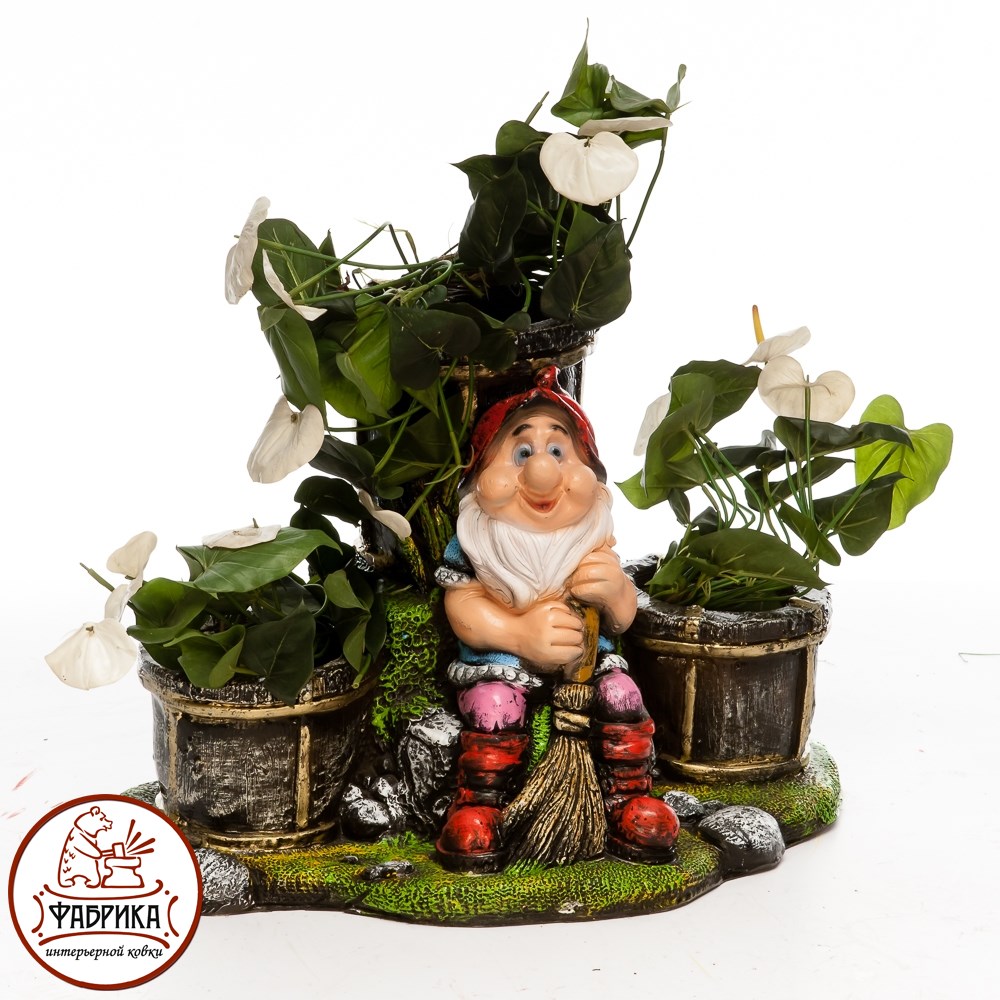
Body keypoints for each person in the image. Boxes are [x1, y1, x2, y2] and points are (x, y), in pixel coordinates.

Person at [434, 366, 679, 871]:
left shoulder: (591, 537)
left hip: (586, 665)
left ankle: (628, 795)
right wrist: (518, 633)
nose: (542, 473)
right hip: (501, 663)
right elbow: (463, 607)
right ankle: (481, 803)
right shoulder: (478, 541)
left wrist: (615, 591)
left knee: (622, 696)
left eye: (558, 451)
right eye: (521, 453)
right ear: (480, 474)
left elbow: (622, 617)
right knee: (493, 705)